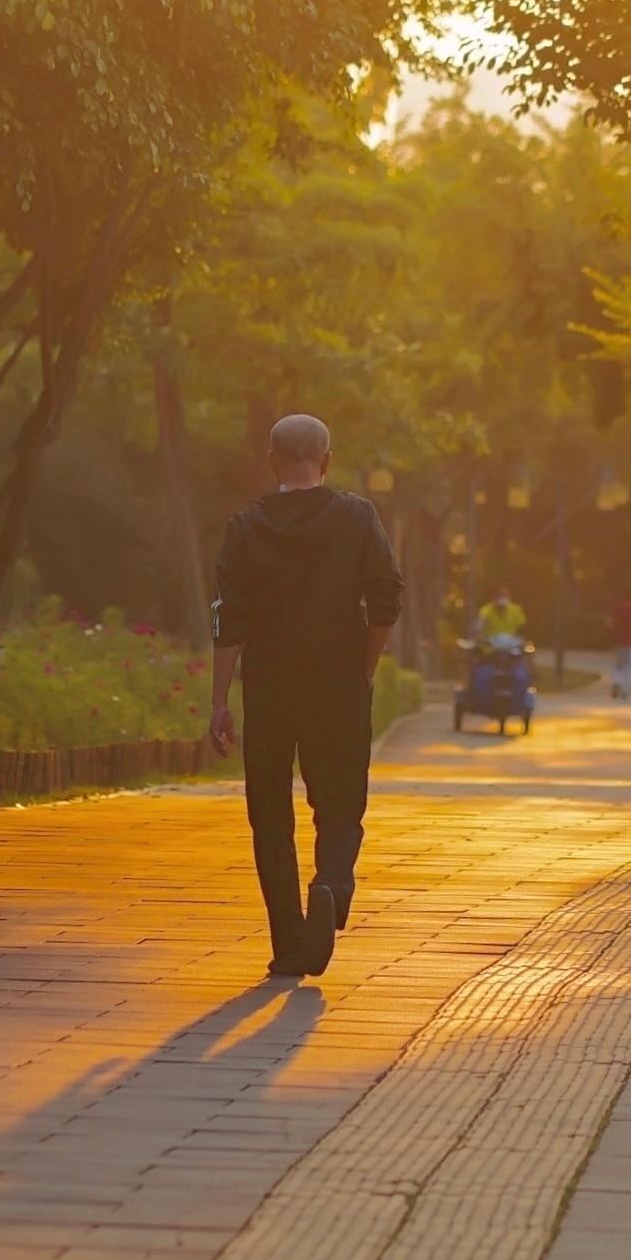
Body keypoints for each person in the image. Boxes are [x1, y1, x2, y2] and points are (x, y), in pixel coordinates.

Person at [208, 413, 403, 979]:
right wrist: (364, 667)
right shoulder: (356, 517)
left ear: (272, 462)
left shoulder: (244, 527)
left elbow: (228, 620)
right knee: (339, 803)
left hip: (269, 689)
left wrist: (220, 701)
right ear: (327, 460)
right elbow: (387, 597)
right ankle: (332, 886)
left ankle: (290, 944)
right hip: (338, 685)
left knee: (270, 812)